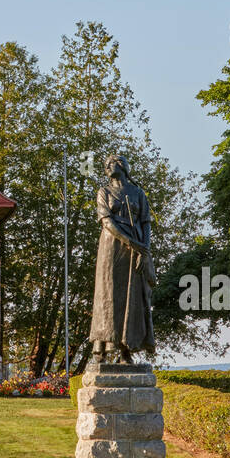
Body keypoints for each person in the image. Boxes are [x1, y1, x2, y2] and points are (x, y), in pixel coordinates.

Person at [89, 154, 155, 363]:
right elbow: (106, 221)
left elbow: (145, 222)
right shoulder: (104, 192)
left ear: (123, 166)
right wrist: (130, 242)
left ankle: (127, 350)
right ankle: (101, 347)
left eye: (111, 163)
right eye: (106, 165)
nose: (107, 167)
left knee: (133, 296)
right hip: (112, 246)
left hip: (135, 247)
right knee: (108, 294)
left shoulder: (138, 193)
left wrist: (144, 249)